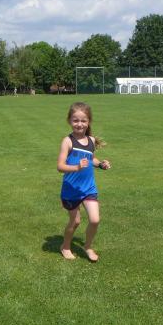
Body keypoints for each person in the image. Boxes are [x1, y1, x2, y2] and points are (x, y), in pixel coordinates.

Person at [56, 102, 111, 262]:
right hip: (71, 190)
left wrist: (100, 164)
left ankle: (87, 247)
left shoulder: (91, 140)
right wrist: (77, 167)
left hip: (88, 188)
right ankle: (65, 246)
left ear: (88, 122)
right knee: (76, 221)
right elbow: (60, 166)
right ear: (69, 121)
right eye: (75, 120)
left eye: (83, 120)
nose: (79, 124)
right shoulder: (67, 141)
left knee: (95, 220)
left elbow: (91, 158)